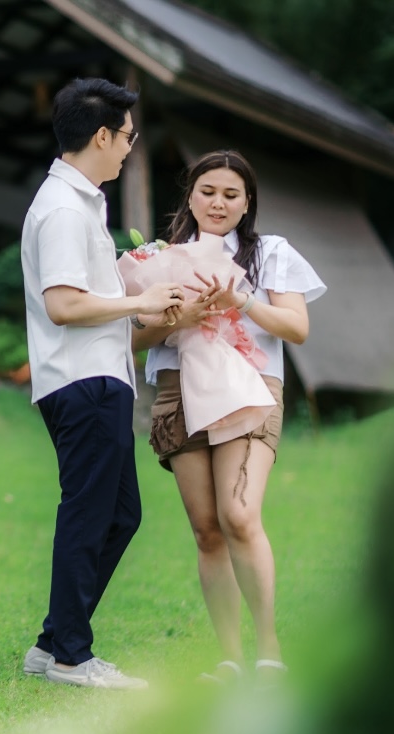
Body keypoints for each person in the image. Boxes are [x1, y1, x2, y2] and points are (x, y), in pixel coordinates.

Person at [19, 78, 195, 690]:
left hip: (100, 378)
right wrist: (136, 302)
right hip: (82, 382)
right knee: (92, 515)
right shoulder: (65, 208)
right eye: (127, 136)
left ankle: (53, 643)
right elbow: (64, 304)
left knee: (118, 515)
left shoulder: (83, 203)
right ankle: (71, 654)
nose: (129, 147)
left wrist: (144, 309)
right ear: (101, 134)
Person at [133, 149, 326, 685]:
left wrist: (240, 300)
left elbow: (296, 327)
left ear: (247, 205)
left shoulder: (271, 253)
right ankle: (229, 659)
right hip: (179, 389)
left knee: (239, 515)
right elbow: (135, 339)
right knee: (207, 531)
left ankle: (269, 650)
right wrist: (179, 315)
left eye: (231, 194)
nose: (218, 202)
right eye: (208, 191)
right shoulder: (159, 259)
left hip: (250, 385)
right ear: (191, 197)